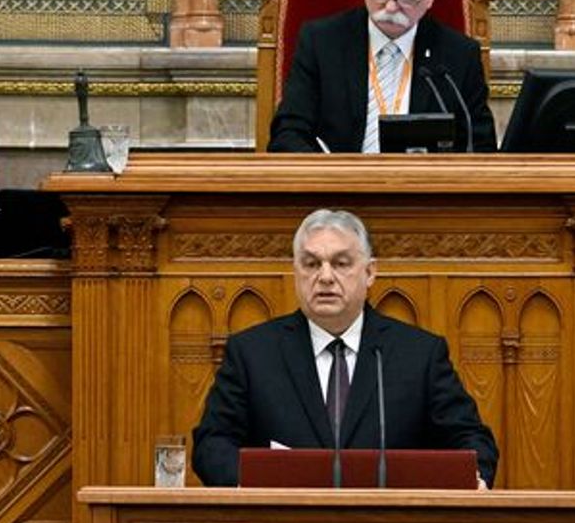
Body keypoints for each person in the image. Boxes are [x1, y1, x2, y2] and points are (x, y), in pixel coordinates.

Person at [192, 208, 499, 487]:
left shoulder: (418, 355)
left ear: (370, 272)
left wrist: (474, 479)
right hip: (283, 522)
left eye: (341, 263)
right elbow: (212, 444)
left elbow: (471, 440)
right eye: (311, 264)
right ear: (295, 271)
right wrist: (261, 483)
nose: (325, 277)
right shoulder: (253, 353)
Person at [267, 0, 496, 154]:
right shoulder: (321, 42)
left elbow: (480, 148)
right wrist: (330, 172)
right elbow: (287, 134)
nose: (391, 6)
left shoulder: (459, 56)